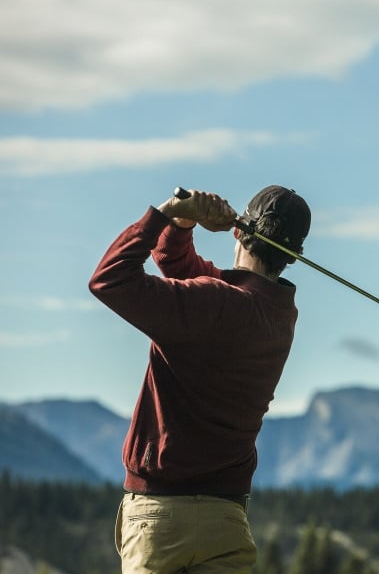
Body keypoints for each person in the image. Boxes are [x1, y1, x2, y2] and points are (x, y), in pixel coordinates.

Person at [89, 186, 311, 573]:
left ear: (239, 231)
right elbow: (184, 271)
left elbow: (109, 279)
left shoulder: (214, 302)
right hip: (226, 523)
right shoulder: (279, 315)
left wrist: (164, 213)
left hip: (161, 520)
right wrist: (182, 225)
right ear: (293, 257)